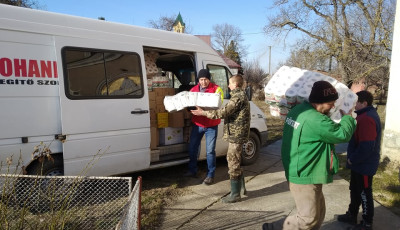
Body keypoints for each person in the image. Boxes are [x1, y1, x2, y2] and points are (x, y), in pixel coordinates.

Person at [262, 80, 357, 230]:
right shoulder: (316, 119)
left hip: (302, 168)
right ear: (320, 102)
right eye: (331, 103)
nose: (333, 106)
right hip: (305, 174)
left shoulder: (298, 110)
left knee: (318, 213)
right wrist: (348, 118)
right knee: (308, 218)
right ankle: (273, 228)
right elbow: (342, 134)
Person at [191, 74, 250, 203]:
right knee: (236, 160)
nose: (228, 85)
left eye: (230, 83)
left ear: (235, 84)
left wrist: (203, 113)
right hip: (236, 134)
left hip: (236, 135)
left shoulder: (237, 97)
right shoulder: (239, 95)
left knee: (232, 162)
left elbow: (222, 113)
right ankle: (241, 189)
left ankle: (235, 194)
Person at [337, 90, 382, 230]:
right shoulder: (363, 116)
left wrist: (352, 159)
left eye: (356, 102)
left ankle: (367, 223)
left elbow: (367, 146)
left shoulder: (367, 118)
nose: (354, 105)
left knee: (364, 192)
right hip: (358, 164)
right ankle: (352, 214)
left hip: (364, 165)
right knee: (355, 190)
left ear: (364, 103)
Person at [184, 69, 224, 185]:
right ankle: (192, 170)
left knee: (210, 151)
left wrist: (203, 108)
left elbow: (218, 104)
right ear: (198, 80)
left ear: (209, 79)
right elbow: (189, 105)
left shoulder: (217, 89)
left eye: (205, 79)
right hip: (198, 124)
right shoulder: (193, 90)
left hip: (211, 125)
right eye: (201, 79)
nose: (203, 82)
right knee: (192, 148)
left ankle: (210, 175)